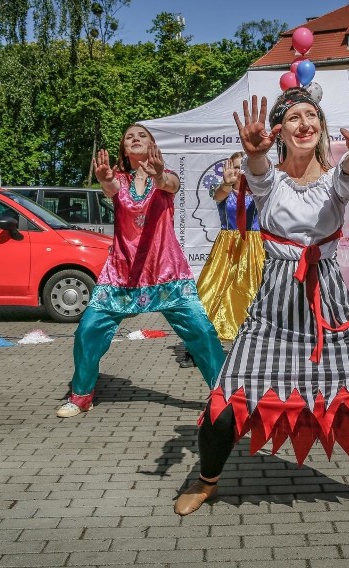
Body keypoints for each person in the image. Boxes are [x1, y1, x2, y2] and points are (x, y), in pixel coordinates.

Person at [173, 88, 349, 516]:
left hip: (330, 304)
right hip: (275, 307)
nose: (305, 123)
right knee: (224, 404)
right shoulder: (270, 178)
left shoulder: (336, 176)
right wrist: (256, 154)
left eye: (311, 116)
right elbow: (258, 173)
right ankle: (207, 481)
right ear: (280, 130)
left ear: (319, 128)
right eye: (294, 116)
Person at [57, 124, 226, 418]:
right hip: (122, 273)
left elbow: (170, 184)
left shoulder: (166, 175)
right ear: (124, 149)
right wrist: (103, 180)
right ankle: (82, 394)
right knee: (88, 331)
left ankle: (225, 395)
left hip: (166, 270)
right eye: (129, 137)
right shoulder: (118, 179)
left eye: (141, 136)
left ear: (152, 145)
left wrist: (159, 174)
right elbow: (111, 189)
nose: (135, 139)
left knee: (201, 330)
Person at [195, 151, 265, 341]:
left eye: (244, 166)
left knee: (253, 291)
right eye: (236, 166)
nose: (239, 170)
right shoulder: (224, 192)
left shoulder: (261, 191)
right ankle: (202, 336)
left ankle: (253, 334)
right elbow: (219, 194)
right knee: (215, 290)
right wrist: (226, 183)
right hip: (228, 248)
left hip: (255, 248)